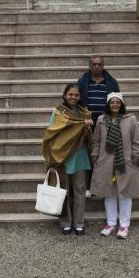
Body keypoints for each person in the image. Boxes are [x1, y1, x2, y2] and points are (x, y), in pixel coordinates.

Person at [41, 83, 93, 235]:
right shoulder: (58, 113)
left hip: (80, 157)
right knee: (63, 190)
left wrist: (88, 128)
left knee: (80, 191)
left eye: (76, 95)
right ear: (65, 95)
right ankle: (65, 222)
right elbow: (50, 134)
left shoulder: (84, 113)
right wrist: (51, 158)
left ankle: (79, 222)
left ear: (80, 97)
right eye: (70, 94)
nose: (73, 97)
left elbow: (87, 138)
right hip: (62, 158)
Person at [90, 92, 139, 239]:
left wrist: (136, 157)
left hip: (124, 162)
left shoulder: (130, 119)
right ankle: (111, 223)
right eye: (112, 102)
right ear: (108, 104)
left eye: (117, 102)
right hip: (106, 163)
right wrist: (95, 156)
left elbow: (137, 141)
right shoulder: (101, 120)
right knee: (109, 194)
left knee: (124, 194)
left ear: (121, 104)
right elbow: (96, 141)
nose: (115, 105)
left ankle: (124, 225)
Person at [77, 56, 120, 197]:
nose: (96, 66)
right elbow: (75, 100)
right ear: (90, 66)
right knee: (89, 157)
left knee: (104, 157)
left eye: (99, 64)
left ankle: (103, 186)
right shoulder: (82, 81)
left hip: (105, 125)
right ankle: (89, 187)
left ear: (103, 66)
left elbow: (117, 102)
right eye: (94, 64)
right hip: (87, 125)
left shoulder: (112, 82)